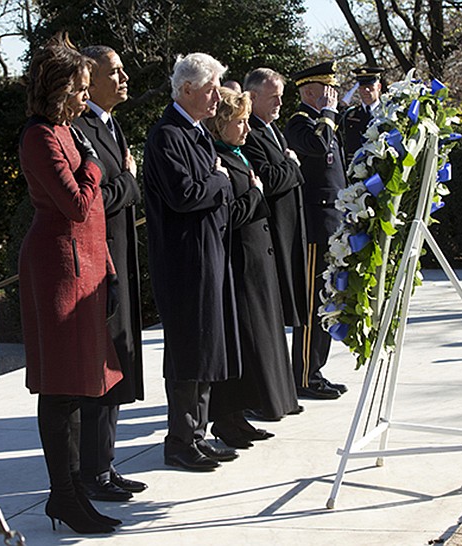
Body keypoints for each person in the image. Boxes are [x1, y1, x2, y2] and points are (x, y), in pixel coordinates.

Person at [18, 33, 122, 534]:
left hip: (86, 267)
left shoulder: (67, 131)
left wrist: (111, 270)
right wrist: (99, 166)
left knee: (79, 387)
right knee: (61, 389)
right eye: (81, 88)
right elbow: (78, 204)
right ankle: (64, 495)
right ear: (60, 88)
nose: (87, 96)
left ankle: (75, 490)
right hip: (58, 269)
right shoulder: (40, 136)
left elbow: (94, 215)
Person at [143, 52, 240, 472]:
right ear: (186, 89)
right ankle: (180, 440)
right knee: (188, 350)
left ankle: (197, 432)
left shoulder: (196, 132)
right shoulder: (168, 135)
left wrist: (217, 181)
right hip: (185, 260)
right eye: (210, 88)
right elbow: (186, 194)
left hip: (209, 252)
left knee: (205, 349)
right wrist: (219, 178)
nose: (217, 96)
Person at [204, 88, 299, 445]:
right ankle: (226, 419)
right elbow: (230, 214)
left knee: (257, 339)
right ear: (221, 124)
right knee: (242, 340)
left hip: (259, 258)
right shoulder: (220, 158)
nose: (246, 129)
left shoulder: (237, 154)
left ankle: (240, 415)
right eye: (238, 122)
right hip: (239, 260)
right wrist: (257, 193)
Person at [73, 45, 146, 502]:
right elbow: (93, 199)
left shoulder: (111, 124)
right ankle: (91, 472)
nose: (123, 78)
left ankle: (106, 463)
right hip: (99, 262)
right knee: (101, 366)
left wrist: (124, 181)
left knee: (118, 361)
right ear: (91, 80)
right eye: (113, 72)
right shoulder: (81, 129)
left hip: (120, 258)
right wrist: (130, 180)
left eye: (122, 71)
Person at [284, 61, 349, 400]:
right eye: (327, 90)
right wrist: (328, 115)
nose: (332, 96)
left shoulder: (325, 122)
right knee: (312, 305)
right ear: (309, 91)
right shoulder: (300, 123)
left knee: (327, 302)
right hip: (314, 226)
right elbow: (317, 146)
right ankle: (304, 375)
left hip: (332, 223)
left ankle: (316, 369)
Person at [242, 68, 308, 337]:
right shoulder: (251, 132)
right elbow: (268, 179)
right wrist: (292, 164)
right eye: (274, 98)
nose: (280, 103)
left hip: (290, 228)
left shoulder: (272, 128)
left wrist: (288, 167)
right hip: (273, 229)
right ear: (253, 97)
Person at [340, 66, 384, 164]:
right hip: (354, 170)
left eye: (370, 86)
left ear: (379, 87)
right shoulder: (350, 115)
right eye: (363, 87)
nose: (366, 90)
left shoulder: (386, 113)